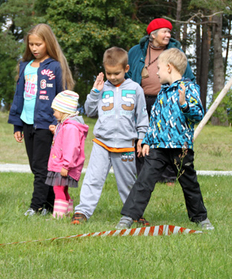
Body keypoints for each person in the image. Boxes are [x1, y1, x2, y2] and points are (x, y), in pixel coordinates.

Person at [115, 48, 213, 230]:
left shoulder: (189, 88)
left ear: (169, 68)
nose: (156, 73)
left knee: (189, 183)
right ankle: (128, 216)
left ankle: (201, 219)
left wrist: (184, 104)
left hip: (180, 147)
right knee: (144, 180)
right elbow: (155, 121)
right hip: (158, 148)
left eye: (158, 68)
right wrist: (146, 141)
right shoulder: (162, 93)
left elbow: (198, 115)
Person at [71, 47, 148, 224]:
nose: (112, 77)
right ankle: (82, 212)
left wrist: (141, 137)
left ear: (126, 69)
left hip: (126, 144)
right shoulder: (101, 88)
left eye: (117, 73)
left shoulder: (136, 89)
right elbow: (89, 111)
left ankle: (133, 214)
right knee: (93, 178)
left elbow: (142, 116)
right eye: (109, 73)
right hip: (102, 143)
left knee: (128, 183)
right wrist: (95, 92)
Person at [8, 23, 75, 216]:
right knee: (36, 166)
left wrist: (58, 123)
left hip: (47, 124)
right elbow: (19, 96)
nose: (34, 48)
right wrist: (17, 125)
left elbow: (62, 95)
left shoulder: (55, 66)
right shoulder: (25, 67)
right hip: (27, 123)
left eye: (38, 44)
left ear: (48, 43)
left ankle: (35, 207)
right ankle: (50, 205)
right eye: (31, 44)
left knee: (41, 167)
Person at [127, 18, 196, 184]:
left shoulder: (175, 52)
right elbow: (128, 75)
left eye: (169, 32)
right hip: (141, 100)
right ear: (153, 34)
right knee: (141, 136)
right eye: (165, 31)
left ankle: (169, 177)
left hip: (167, 101)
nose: (168, 35)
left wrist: (185, 96)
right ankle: (143, 175)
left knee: (167, 137)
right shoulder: (136, 51)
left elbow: (189, 77)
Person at [45, 91, 89, 219]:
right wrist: (56, 131)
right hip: (61, 164)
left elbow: (71, 148)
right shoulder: (65, 125)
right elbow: (62, 142)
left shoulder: (70, 127)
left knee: (58, 189)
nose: (54, 114)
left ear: (64, 111)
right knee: (63, 189)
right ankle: (67, 212)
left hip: (63, 165)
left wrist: (66, 165)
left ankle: (58, 216)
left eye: (56, 111)